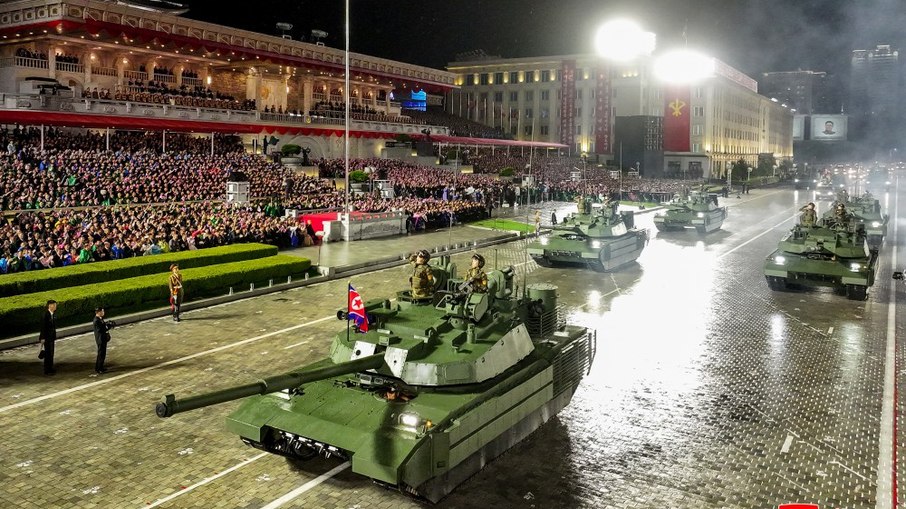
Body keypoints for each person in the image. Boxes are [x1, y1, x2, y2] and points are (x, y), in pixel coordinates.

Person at [39, 300, 57, 375]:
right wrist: (42, 338)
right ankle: (47, 370)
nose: (56, 307)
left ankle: (50, 368)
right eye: (55, 305)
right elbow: (43, 327)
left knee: (51, 353)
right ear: (50, 306)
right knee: (48, 354)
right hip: (47, 338)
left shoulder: (52, 314)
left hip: (51, 338)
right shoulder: (45, 315)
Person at [92, 307, 111, 374]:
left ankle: (100, 367)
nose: (103, 312)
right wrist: (107, 327)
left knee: (103, 353)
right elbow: (100, 329)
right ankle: (98, 368)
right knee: (101, 354)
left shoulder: (100, 319)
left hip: (103, 339)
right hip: (100, 339)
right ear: (98, 312)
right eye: (102, 311)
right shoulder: (96, 320)